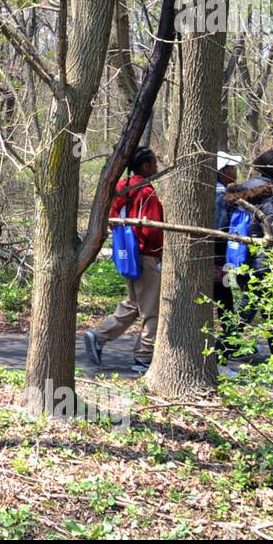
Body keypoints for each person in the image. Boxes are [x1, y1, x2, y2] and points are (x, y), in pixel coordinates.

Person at [82, 147, 163, 374]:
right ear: (145, 166)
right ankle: (144, 356)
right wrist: (159, 251)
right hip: (146, 255)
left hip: (126, 253)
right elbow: (153, 230)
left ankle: (98, 336)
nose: (156, 167)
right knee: (151, 310)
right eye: (154, 163)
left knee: (134, 303)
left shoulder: (121, 188)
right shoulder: (147, 192)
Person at [223, 149, 273, 355]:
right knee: (250, 305)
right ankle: (221, 351)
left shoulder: (244, 188)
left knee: (269, 306)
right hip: (263, 258)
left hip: (241, 256)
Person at [211, 152, 243, 329]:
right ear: (223, 171)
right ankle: (231, 336)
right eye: (232, 167)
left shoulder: (211, 193)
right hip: (220, 255)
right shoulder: (223, 198)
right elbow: (223, 226)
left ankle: (231, 335)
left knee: (222, 293)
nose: (235, 171)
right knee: (223, 294)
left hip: (215, 255)